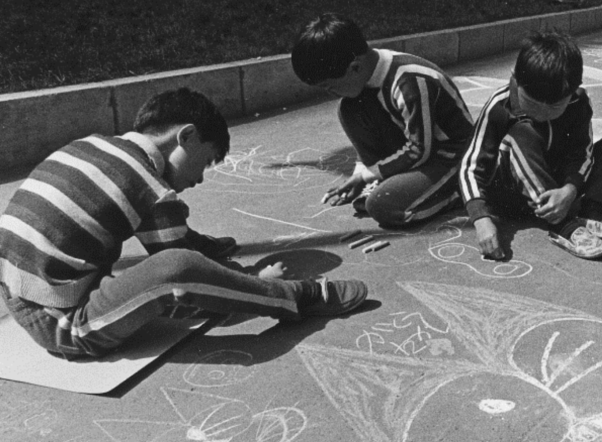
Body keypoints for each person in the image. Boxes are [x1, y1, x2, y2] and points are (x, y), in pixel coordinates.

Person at [0, 88, 368, 359]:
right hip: (67, 325)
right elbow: (186, 279)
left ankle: (216, 256)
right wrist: (252, 279)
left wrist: (203, 245)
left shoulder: (90, 145)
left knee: (179, 256)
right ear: (186, 136)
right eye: (206, 161)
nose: (200, 179)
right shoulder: (152, 187)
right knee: (176, 268)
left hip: (20, 297)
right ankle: (297, 298)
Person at [458, 31, 602, 261]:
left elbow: (582, 152)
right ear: (516, 79)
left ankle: (592, 216)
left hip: (557, 186)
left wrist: (570, 190)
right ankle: (565, 227)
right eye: (531, 103)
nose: (541, 114)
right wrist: (481, 219)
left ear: (573, 90)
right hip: (513, 193)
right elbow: (470, 167)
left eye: (553, 108)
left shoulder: (578, 102)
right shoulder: (500, 106)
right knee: (521, 134)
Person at [291, 15, 475, 227]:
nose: (330, 93)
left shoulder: (409, 81)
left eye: (330, 86)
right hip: (422, 153)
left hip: (452, 156)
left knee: (382, 207)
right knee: (349, 108)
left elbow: (419, 150)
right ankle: (399, 184)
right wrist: (362, 172)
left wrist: (367, 176)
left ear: (355, 67)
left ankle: (458, 192)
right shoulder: (368, 78)